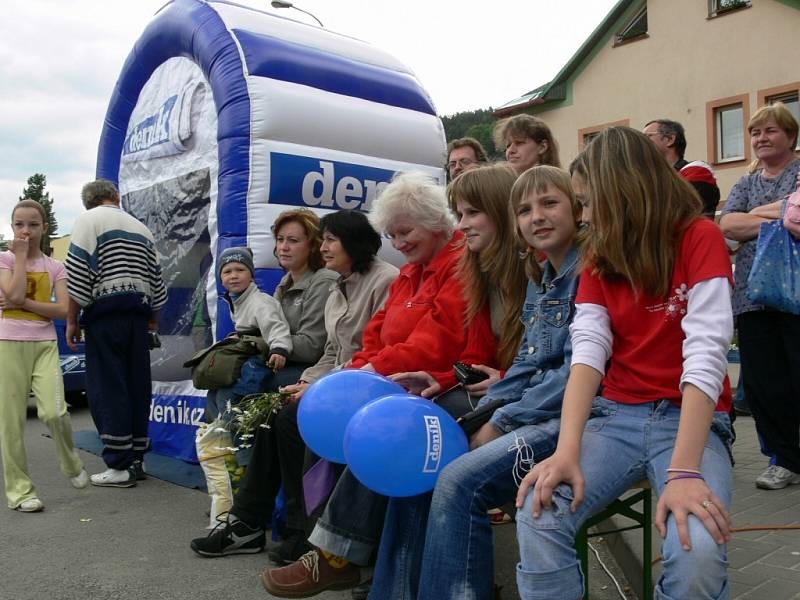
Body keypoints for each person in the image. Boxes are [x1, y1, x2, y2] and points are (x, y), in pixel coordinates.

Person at [515, 127, 734, 600]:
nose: (584, 217)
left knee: (695, 547)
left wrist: (684, 472)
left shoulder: (700, 237)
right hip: (617, 417)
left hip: (690, 419)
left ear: (623, 193)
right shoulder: (600, 254)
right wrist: (566, 450)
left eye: (588, 203)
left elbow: (707, 356)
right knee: (540, 505)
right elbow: (588, 353)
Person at [262, 171, 498, 597]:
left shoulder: (458, 264)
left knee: (384, 430)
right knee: (307, 417)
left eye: (406, 232)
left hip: (447, 380)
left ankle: (336, 554)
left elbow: (436, 341)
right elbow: (377, 331)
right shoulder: (411, 272)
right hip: (407, 376)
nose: (400, 242)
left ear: (435, 222)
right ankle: (327, 543)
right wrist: (358, 370)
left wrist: (367, 373)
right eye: (393, 234)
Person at [370, 164, 583, 599]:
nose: (460, 224)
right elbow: (521, 363)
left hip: (560, 413)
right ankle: (390, 587)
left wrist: (499, 417)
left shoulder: (552, 270)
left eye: (470, 213)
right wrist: (448, 378)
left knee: (444, 467)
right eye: (458, 213)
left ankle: (352, 557)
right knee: (417, 443)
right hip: (517, 397)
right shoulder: (502, 269)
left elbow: (571, 371)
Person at [190, 209, 398, 557]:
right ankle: (247, 521)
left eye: (330, 240)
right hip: (336, 378)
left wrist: (314, 385)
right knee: (276, 410)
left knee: (287, 417)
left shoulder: (381, 281)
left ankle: (302, 529)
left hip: (367, 384)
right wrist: (306, 381)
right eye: (280, 240)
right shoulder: (338, 286)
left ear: (353, 242)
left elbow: (371, 352)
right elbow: (331, 351)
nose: (324, 247)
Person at [65, 179, 167, 488]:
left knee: (108, 389)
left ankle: (119, 465)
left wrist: (72, 320)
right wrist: (152, 320)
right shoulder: (141, 229)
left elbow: (77, 276)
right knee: (137, 388)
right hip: (137, 319)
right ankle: (137, 459)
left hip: (105, 320)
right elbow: (158, 283)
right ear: (116, 197)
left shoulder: (87, 221)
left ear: (88, 203)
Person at [720, 102, 800, 490]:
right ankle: (783, 460)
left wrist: (756, 215)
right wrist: (780, 212)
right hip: (753, 299)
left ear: (791, 136)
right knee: (766, 385)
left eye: (770, 131)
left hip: (796, 295)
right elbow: (727, 224)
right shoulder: (746, 181)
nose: (760, 138)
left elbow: (797, 215)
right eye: (755, 132)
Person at [0, 200, 88, 512]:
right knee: (10, 423)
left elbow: (62, 309)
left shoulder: (56, 267)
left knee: (54, 411)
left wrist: (22, 302)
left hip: (44, 344)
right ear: (12, 227)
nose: (26, 231)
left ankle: (71, 463)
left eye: (33, 225)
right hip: (7, 343)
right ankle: (21, 493)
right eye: (19, 224)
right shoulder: (4, 259)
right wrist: (20, 259)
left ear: (44, 227)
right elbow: (10, 294)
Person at [204, 246, 293, 421]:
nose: (234, 275)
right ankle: (221, 429)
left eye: (240, 270)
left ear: (251, 275)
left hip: (260, 358)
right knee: (213, 392)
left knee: (235, 395)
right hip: (248, 352)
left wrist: (279, 349)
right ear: (220, 279)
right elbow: (248, 326)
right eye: (227, 271)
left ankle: (242, 413)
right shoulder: (237, 299)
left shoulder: (260, 301)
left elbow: (276, 327)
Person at [271, 209, 340, 389]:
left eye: (293, 241)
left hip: (314, 371)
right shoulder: (285, 283)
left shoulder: (324, 280)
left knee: (252, 382)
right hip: (286, 363)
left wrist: (260, 343)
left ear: (312, 246)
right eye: (280, 239)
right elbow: (268, 326)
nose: (283, 247)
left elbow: (311, 347)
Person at [644, 118, 721, 218]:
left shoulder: (698, 169)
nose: (642, 142)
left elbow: (679, 210)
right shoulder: (651, 178)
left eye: (647, 136)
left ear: (670, 139)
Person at [493, 114, 560, 175]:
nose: (510, 150)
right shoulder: (503, 185)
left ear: (542, 147)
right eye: (508, 145)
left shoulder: (556, 185)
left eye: (519, 142)